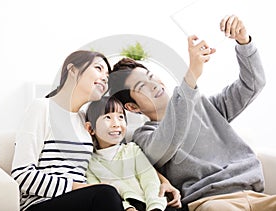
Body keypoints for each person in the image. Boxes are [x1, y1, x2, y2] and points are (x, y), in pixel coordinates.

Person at [108, 15, 276, 211]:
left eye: (151, 76)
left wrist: (244, 41)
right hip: (212, 203)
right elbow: (170, 137)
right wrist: (191, 75)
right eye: (141, 86)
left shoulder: (206, 107)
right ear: (132, 107)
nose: (153, 85)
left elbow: (253, 84)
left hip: (256, 195)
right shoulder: (143, 138)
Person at [11, 50, 125, 211]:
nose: (105, 79)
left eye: (107, 77)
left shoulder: (86, 121)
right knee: (106, 194)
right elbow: (21, 175)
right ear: (72, 70)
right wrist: (81, 188)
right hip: (40, 203)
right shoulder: (42, 108)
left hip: (82, 201)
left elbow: (124, 151)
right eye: (98, 69)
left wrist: (162, 181)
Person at [85, 96, 180, 211]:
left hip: (153, 204)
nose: (116, 124)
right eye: (108, 117)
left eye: (120, 117)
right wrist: (127, 208)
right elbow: (99, 193)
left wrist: (155, 207)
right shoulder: (90, 163)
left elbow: (150, 180)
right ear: (91, 129)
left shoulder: (132, 150)